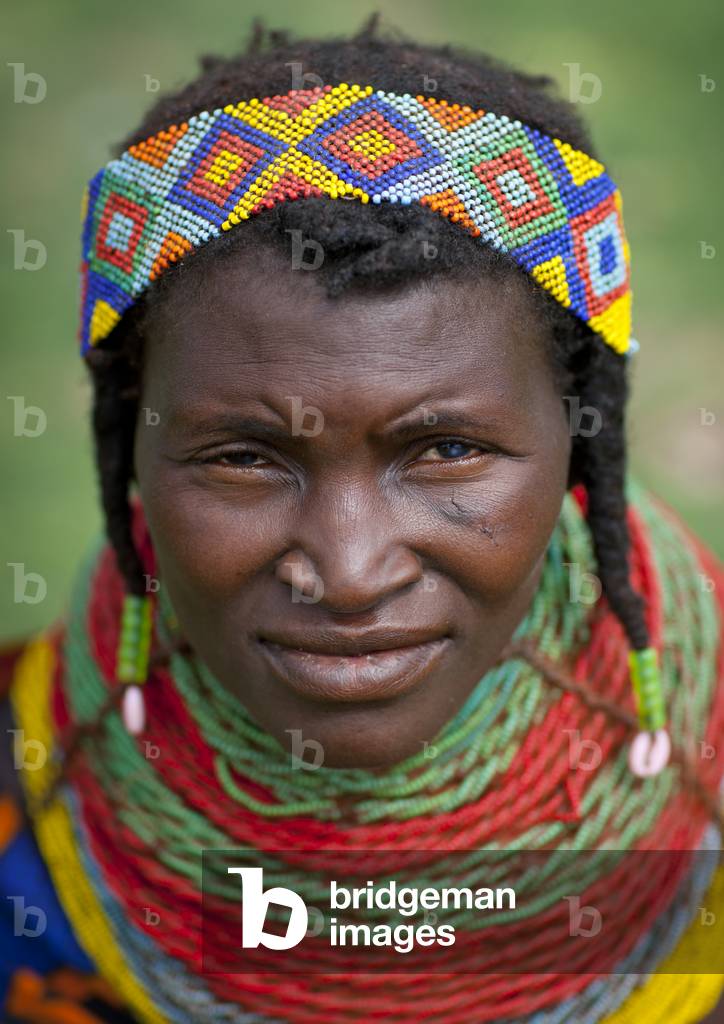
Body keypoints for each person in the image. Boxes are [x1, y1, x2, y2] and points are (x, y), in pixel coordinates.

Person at [1, 16, 723, 1024]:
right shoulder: (27, 789)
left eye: (447, 450)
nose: (345, 573)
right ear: (133, 457)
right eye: (245, 458)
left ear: (577, 443)